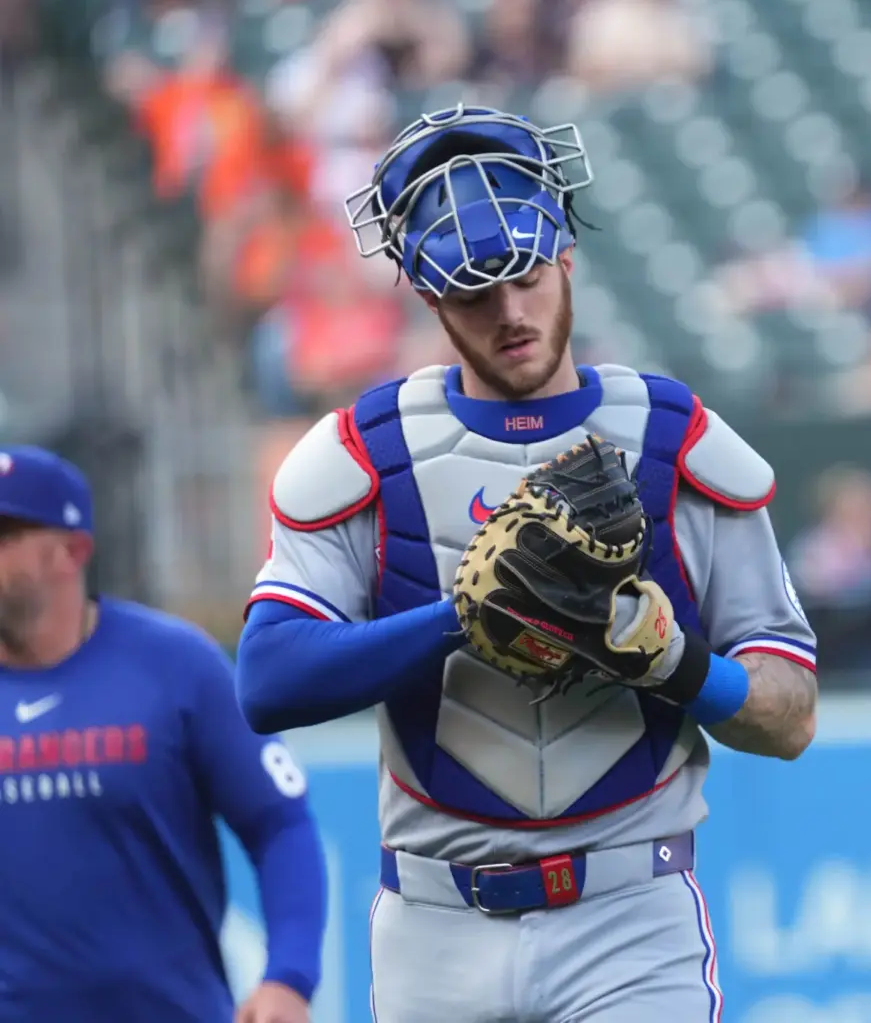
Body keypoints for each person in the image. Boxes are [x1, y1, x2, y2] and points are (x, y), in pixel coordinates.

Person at [231, 104, 818, 1021]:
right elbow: (268, 682)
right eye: (473, 291)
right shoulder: (364, 453)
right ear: (426, 294)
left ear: (566, 255)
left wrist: (676, 665)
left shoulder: (675, 439)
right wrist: (464, 620)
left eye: (526, 273)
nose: (509, 312)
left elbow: (790, 715)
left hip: (631, 912)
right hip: (435, 917)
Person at [0, 445, 325, 1023]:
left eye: (5, 535)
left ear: (72, 550)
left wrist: (289, 977)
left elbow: (279, 823)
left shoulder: (175, 667)